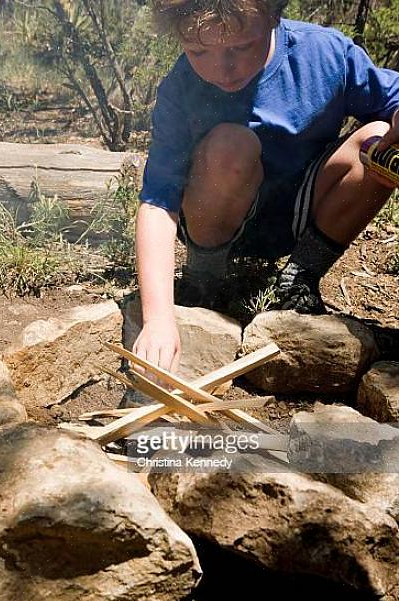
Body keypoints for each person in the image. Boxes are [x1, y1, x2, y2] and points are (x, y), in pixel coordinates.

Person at [133, 0, 399, 372]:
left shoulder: (323, 54)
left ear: (274, 16)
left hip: (304, 210)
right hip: (216, 217)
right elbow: (158, 203)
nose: (221, 69)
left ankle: (300, 277)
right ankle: (205, 277)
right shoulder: (181, 89)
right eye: (198, 51)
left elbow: (393, 97)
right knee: (231, 145)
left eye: (241, 48)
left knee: (383, 139)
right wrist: (158, 319)